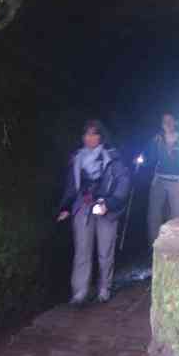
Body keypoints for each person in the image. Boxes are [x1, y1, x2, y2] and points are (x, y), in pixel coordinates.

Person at [57, 119, 130, 305]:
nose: (89, 138)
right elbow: (71, 185)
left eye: (94, 133)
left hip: (106, 206)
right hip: (83, 206)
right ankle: (79, 292)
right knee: (82, 251)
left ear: (101, 136)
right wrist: (65, 207)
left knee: (105, 251)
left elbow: (123, 183)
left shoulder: (112, 157)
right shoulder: (77, 158)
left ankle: (104, 288)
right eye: (87, 134)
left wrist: (110, 204)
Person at [146, 112, 179, 246]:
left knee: (178, 215)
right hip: (159, 179)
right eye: (165, 121)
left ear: (175, 122)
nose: (168, 123)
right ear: (161, 124)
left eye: (170, 120)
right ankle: (154, 246)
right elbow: (149, 156)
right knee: (154, 215)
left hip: (177, 180)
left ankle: (175, 246)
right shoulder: (157, 139)